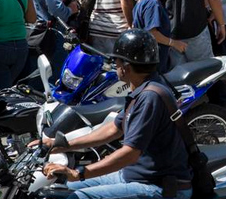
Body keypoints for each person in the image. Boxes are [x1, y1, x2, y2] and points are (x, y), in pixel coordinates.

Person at [42, 29, 192, 199]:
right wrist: (60, 144)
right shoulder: (142, 89)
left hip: (158, 186)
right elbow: (113, 129)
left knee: (77, 197)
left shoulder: (150, 97)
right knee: (66, 187)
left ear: (126, 67)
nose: (115, 65)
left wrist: (80, 173)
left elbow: (129, 153)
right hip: (133, 176)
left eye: (117, 61)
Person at [22, 0, 78, 82]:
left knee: (35, 70)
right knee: (54, 72)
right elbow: (56, 10)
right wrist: (71, 10)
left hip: (30, 32)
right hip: (48, 34)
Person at [133, 0, 186, 74]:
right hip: (153, 61)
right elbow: (152, 33)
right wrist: (174, 43)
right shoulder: (152, 3)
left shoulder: (145, 0)